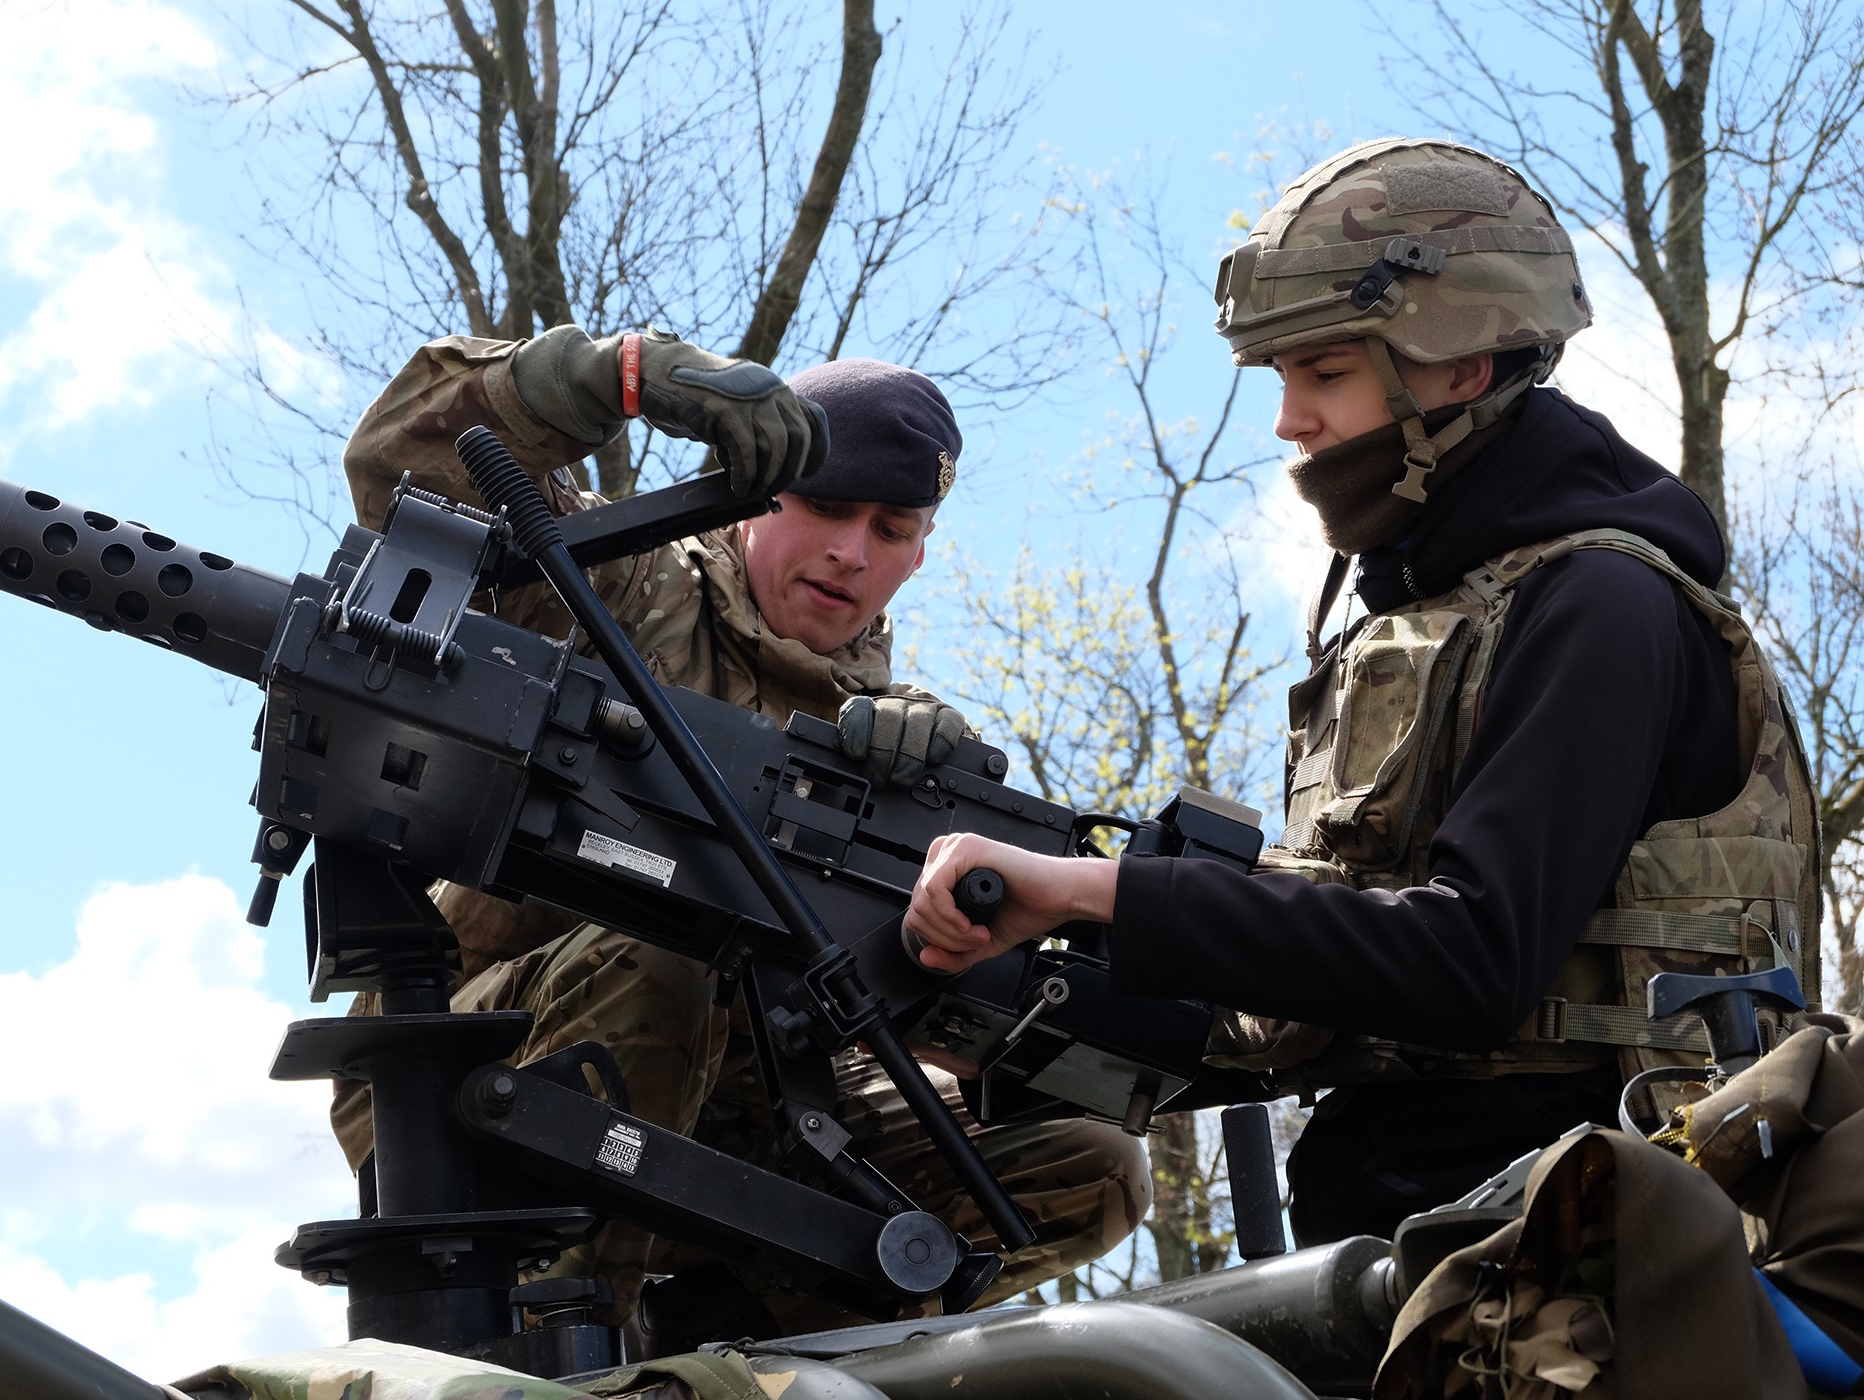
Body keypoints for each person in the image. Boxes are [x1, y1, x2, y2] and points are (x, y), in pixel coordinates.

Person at [903, 138, 1821, 1247]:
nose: (1290, 419)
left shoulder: (1602, 604)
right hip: (1417, 1249)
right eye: (1282, 377)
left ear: (1463, 368)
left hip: (1581, 1269)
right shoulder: (1421, 618)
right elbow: (1314, 997)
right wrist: (1000, 997)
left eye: (1325, 374)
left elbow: (1471, 963)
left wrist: (1104, 891)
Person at [329, 325, 1151, 1339]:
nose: (852, 552)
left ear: (921, 551)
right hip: (489, 1078)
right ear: (756, 490)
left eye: (892, 528)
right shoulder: (614, 587)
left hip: (749, 1118)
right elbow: (397, 469)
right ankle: (553, 1345)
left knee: (1092, 1165)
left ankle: (701, 1346)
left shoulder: (906, 753)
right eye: (828, 506)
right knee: (672, 947)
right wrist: (614, 376)